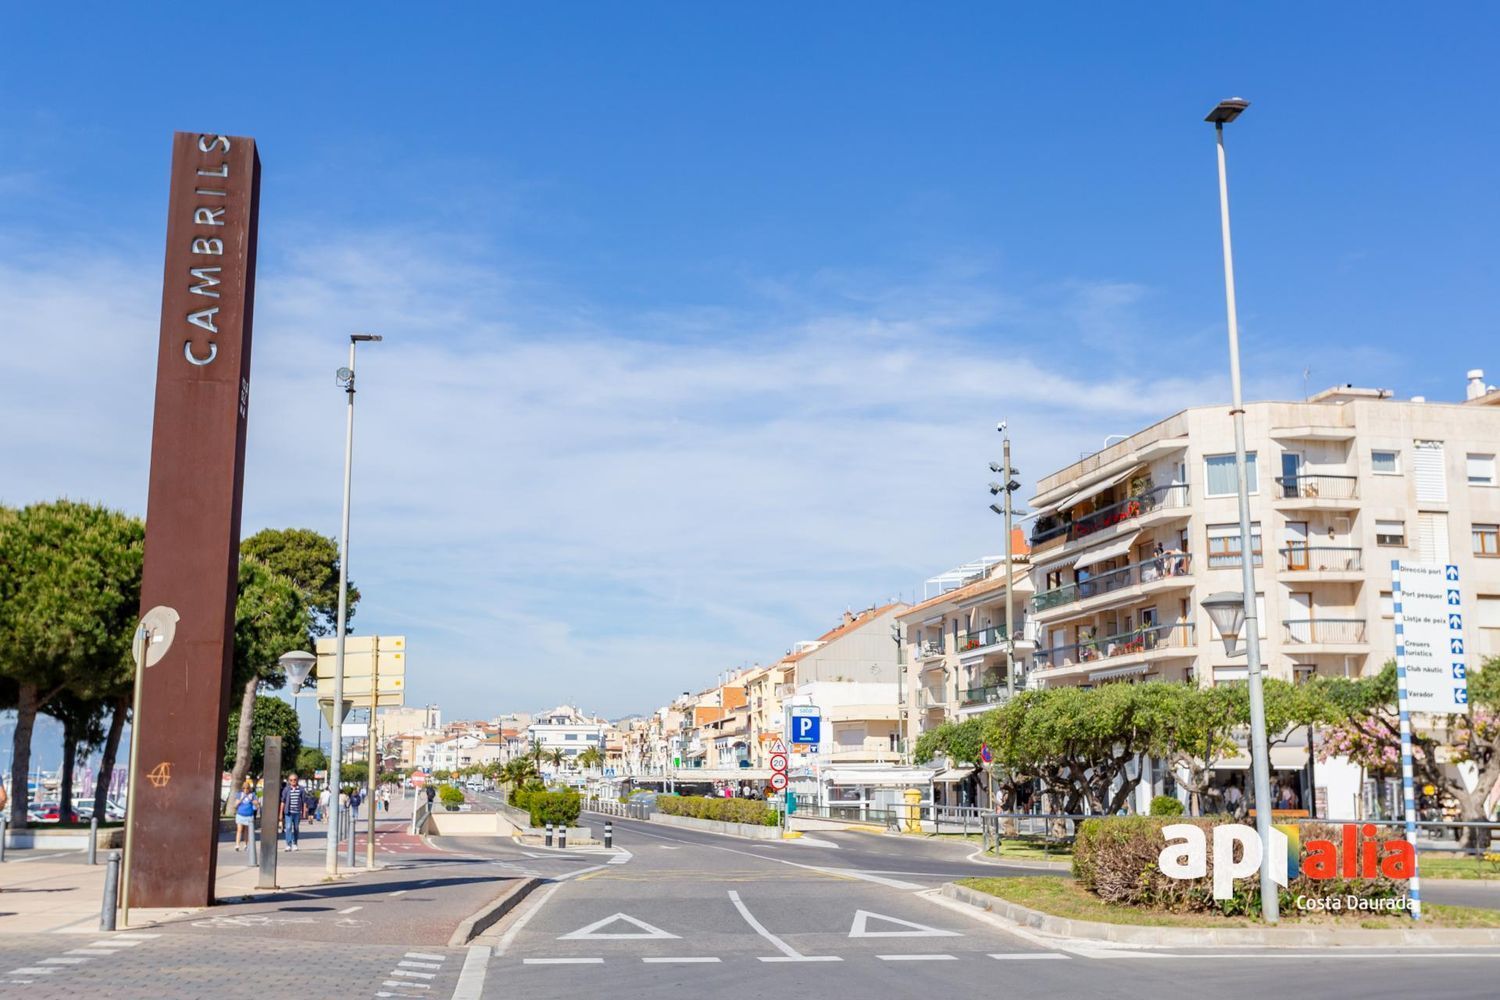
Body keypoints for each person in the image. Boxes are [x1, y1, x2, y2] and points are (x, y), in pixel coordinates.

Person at [280, 773, 307, 851]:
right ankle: (288, 844)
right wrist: (280, 813)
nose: (293, 781)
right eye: (291, 780)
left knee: (296, 828)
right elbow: (283, 801)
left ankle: (294, 843)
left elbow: (304, 801)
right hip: (288, 812)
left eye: (295, 780)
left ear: (297, 780)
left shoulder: (301, 789)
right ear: (289, 781)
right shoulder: (286, 789)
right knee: (288, 827)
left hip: (297, 812)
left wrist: (304, 812)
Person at [232, 779, 257, 850]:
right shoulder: (239, 794)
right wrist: (241, 799)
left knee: (247, 831)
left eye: (247, 788)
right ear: (242, 788)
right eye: (244, 788)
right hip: (240, 815)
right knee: (239, 830)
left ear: (250, 788)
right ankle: (237, 845)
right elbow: (235, 805)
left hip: (249, 815)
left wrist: (251, 800)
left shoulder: (252, 795)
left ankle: (246, 844)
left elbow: (257, 804)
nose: (246, 790)